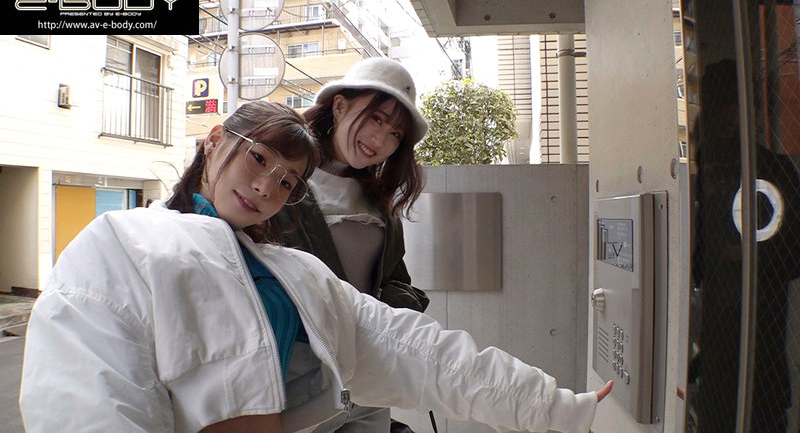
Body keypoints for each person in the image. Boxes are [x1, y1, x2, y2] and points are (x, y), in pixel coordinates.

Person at [19, 100, 612, 433]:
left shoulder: (295, 272)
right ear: (215, 140)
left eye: (286, 182)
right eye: (258, 158)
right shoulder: (121, 243)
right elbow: (89, 402)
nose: (265, 186)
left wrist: (556, 407)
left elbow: (423, 352)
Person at [272, 57, 431, 431]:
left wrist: (399, 312)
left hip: (366, 379)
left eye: (395, 134)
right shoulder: (283, 181)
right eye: (376, 118)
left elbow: (393, 278)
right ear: (340, 107)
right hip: (296, 375)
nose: (381, 139)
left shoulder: (380, 202)